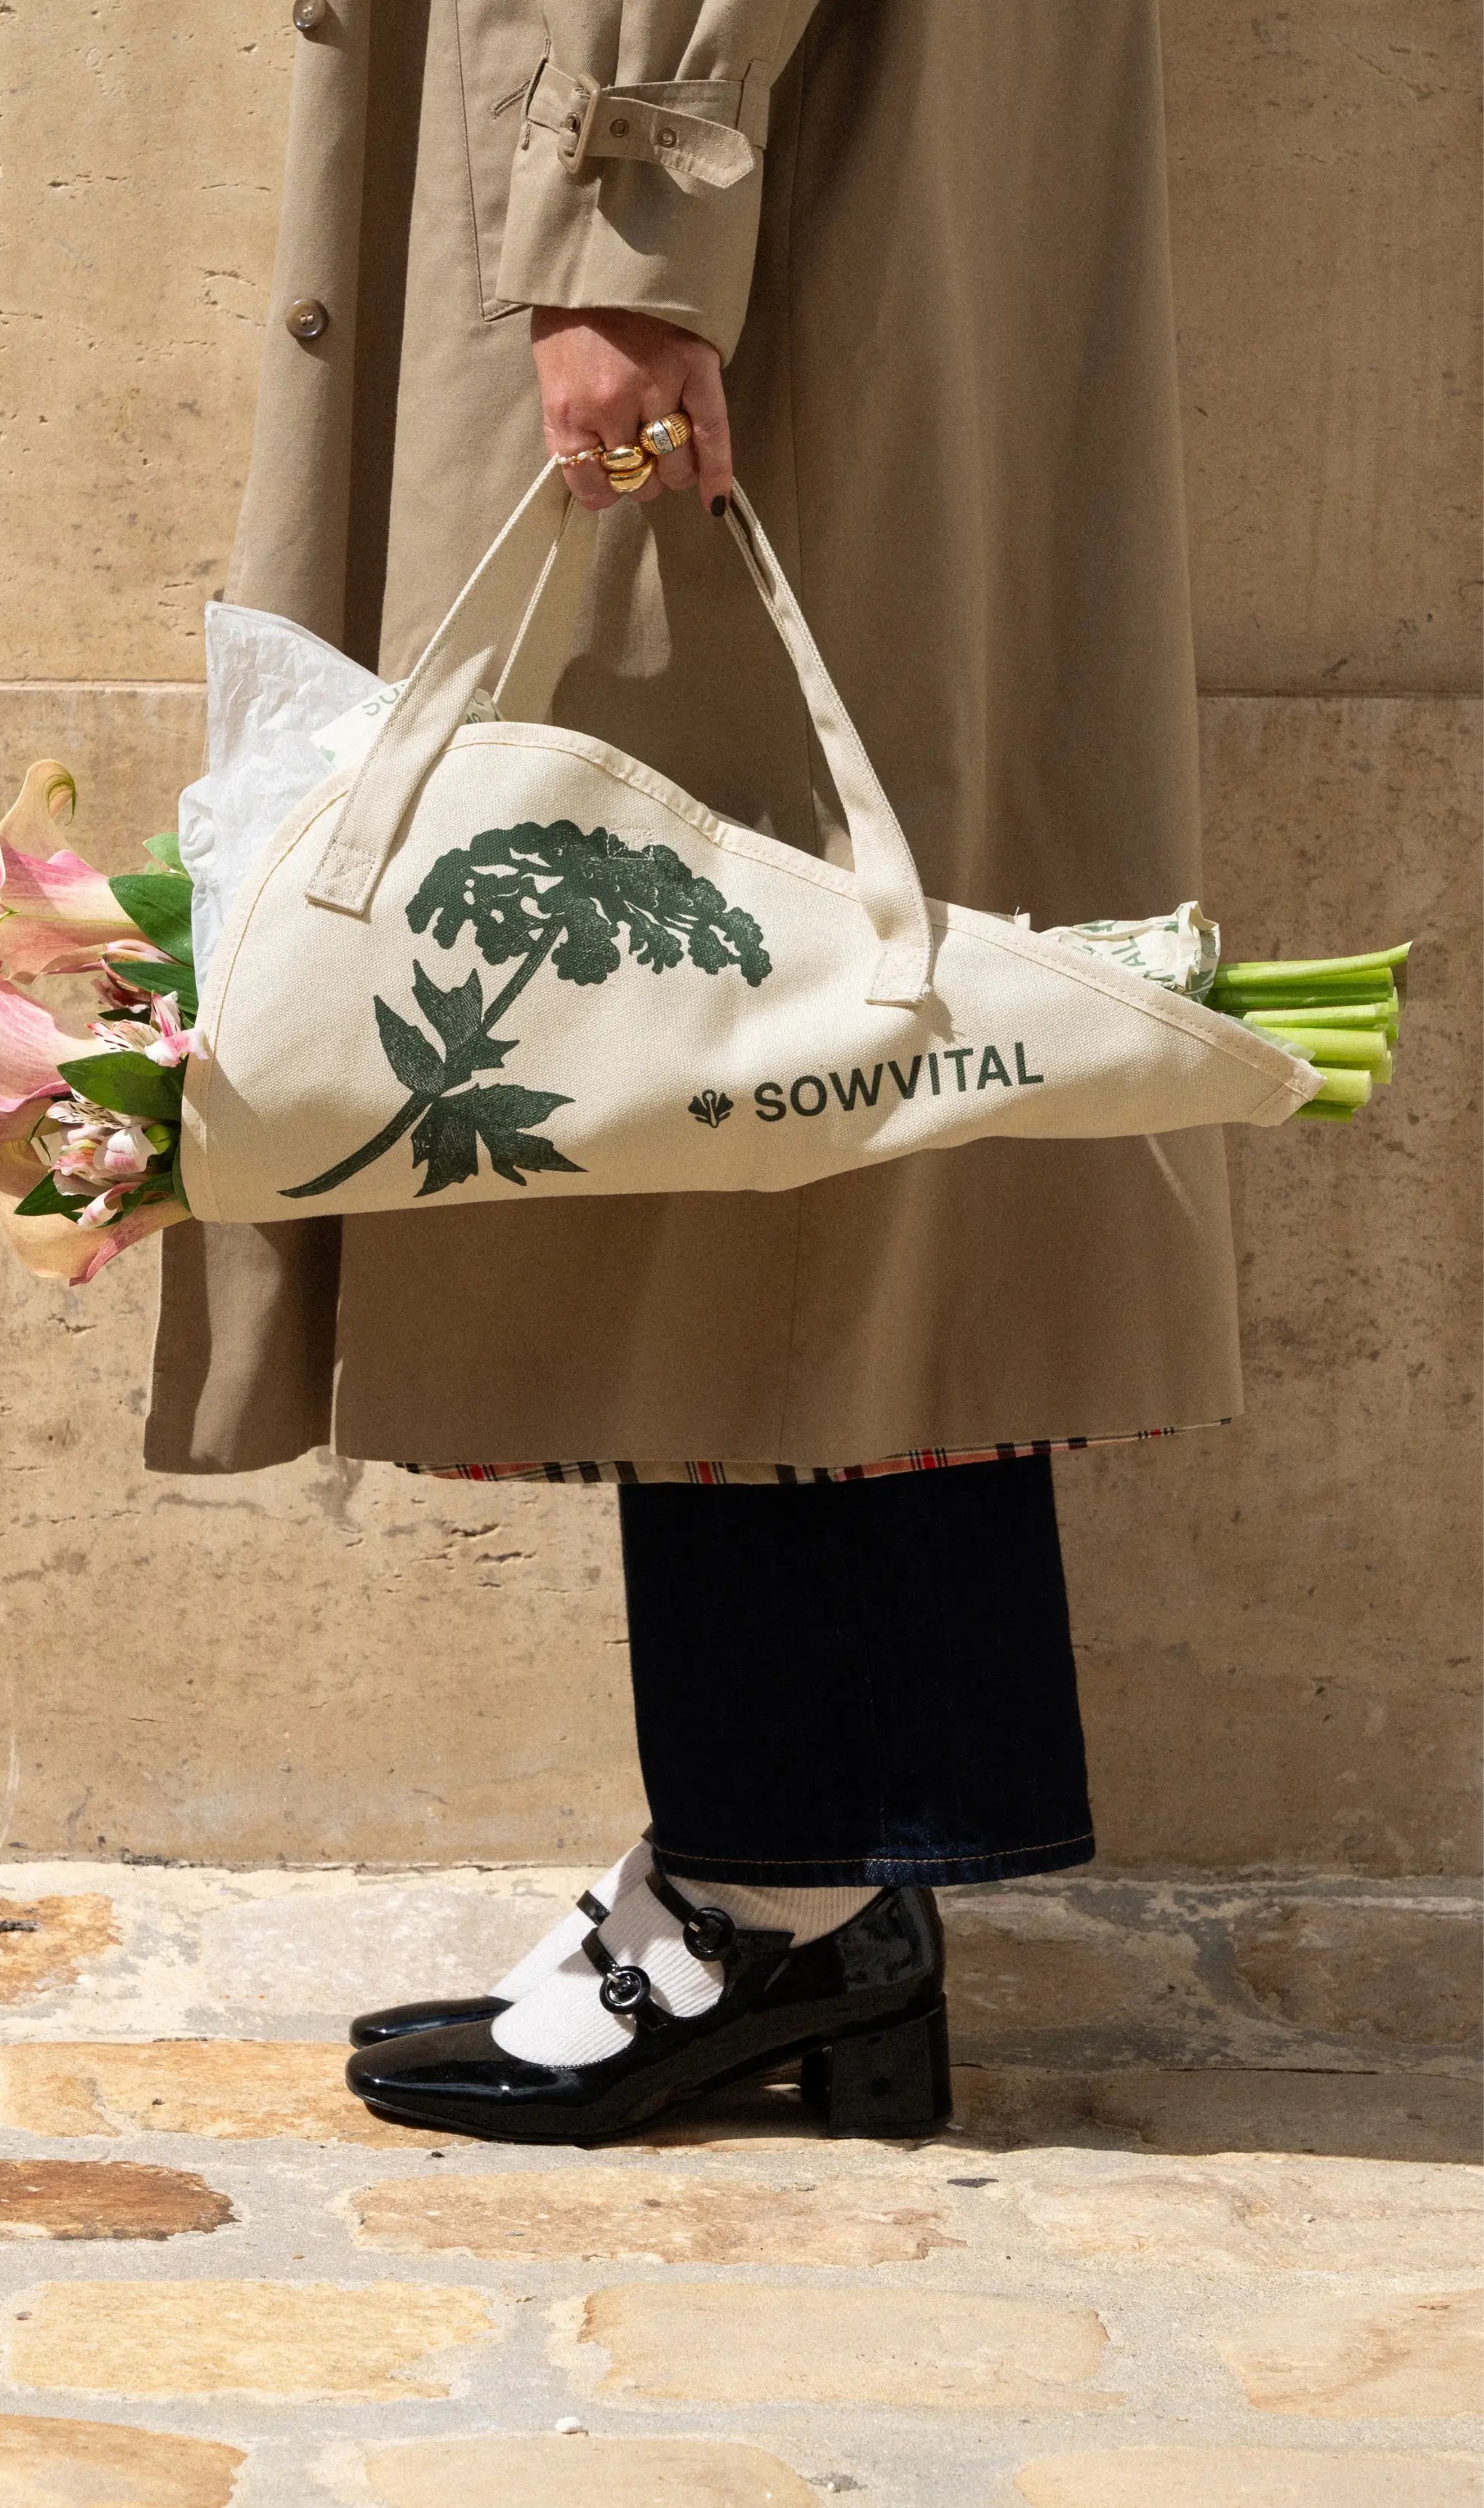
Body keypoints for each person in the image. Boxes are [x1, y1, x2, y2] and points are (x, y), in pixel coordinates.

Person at [147, 2, 1239, 2140]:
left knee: (730, 1024)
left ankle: (782, 1891)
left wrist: (626, 218)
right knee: (790, 1030)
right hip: (792, 174)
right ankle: (800, 1856)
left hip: (727, 195)